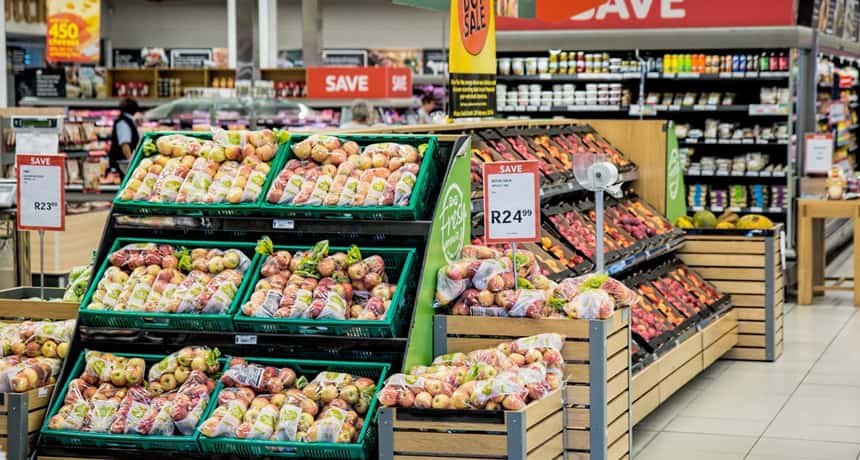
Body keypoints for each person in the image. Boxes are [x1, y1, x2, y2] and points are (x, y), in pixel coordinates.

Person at [108, 98, 141, 179]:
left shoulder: (126, 121)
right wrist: (132, 163)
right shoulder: (123, 122)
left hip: (123, 163)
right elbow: (125, 145)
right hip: (123, 164)